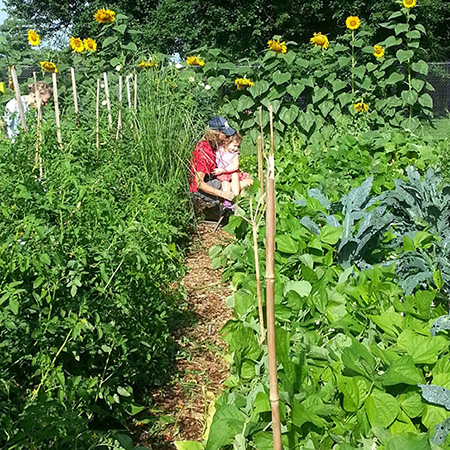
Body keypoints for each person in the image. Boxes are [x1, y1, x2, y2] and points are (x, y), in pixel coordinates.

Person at [189, 116, 237, 207]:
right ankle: (232, 208)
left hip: (210, 180)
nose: (227, 136)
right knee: (229, 184)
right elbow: (198, 182)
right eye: (225, 134)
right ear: (216, 134)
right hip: (198, 191)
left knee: (238, 180)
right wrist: (222, 194)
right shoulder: (203, 153)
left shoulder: (213, 145)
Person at [213, 132, 251, 209]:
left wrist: (223, 170)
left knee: (235, 178)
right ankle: (227, 201)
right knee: (225, 183)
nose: (236, 148)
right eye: (234, 146)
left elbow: (235, 166)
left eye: (237, 146)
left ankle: (236, 197)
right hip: (223, 174)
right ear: (226, 142)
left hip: (231, 171)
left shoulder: (234, 154)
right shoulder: (219, 148)